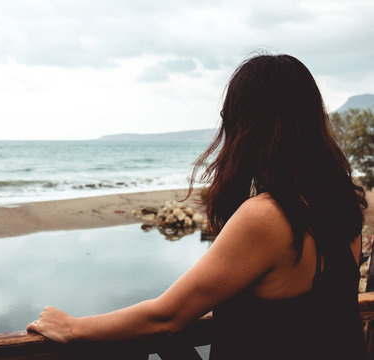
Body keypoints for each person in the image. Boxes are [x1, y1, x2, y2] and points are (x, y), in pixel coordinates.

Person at [27, 54, 369, 359]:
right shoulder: (341, 206)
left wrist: (73, 327)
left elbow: (167, 317)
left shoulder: (266, 215)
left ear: (246, 126)